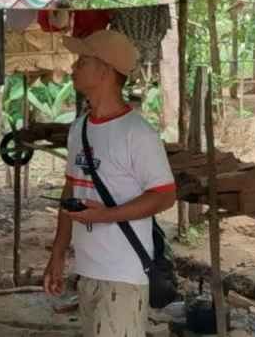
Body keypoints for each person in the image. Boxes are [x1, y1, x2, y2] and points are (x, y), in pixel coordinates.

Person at [43, 29, 177, 337]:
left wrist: (105, 215)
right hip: (87, 269)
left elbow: (164, 196)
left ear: (105, 71)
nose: (73, 67)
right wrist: (58, 252)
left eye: (82, 61)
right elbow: (71, 190)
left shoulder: (137, 133)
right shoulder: (79, 129)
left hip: (124, 274)